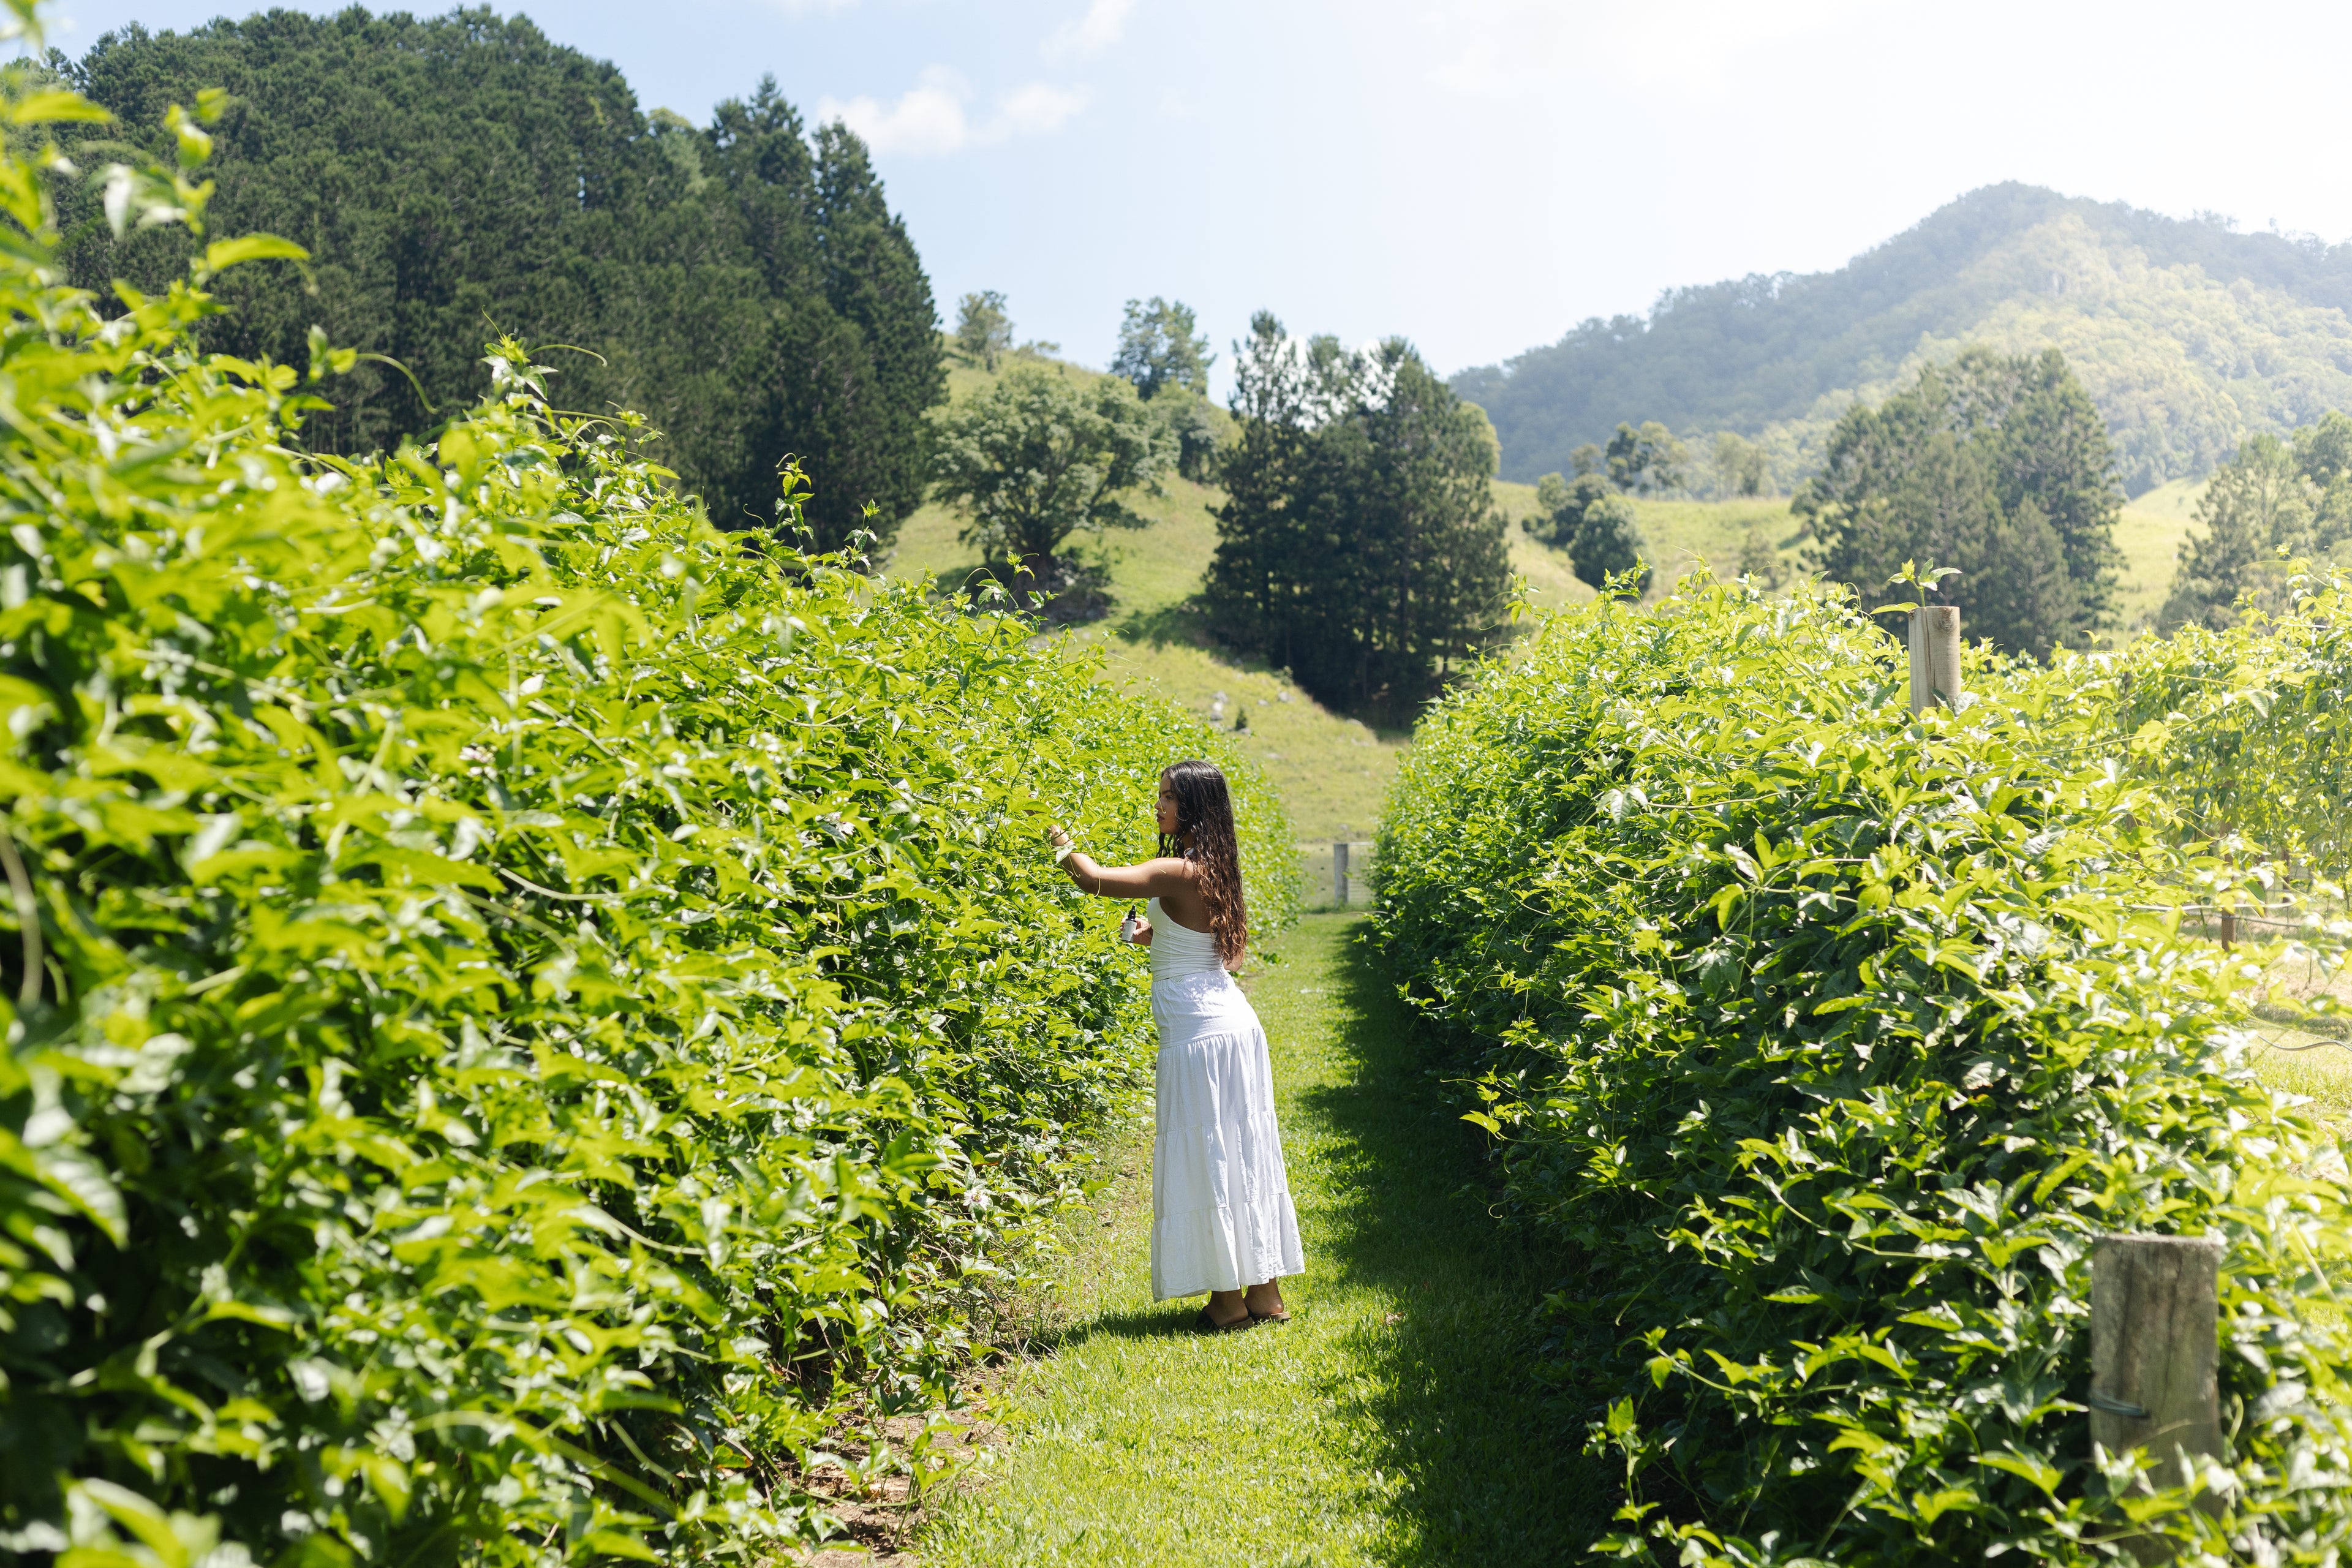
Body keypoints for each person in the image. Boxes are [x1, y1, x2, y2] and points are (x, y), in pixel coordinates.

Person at [1046, 760, 1303, 1331]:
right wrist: (1155, 938)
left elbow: (1093, 880)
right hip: (1230, 1025)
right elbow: (1225, 957)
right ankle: (1264, 1295)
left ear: (1193, 806)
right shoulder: (1218, 870)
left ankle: (1227, 1303)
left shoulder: (1178, 869)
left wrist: (1057, 838)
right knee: (1241, 1151)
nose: (1158, 806)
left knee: (1208, 1153)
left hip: (1199, 1036)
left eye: (1167, 797)